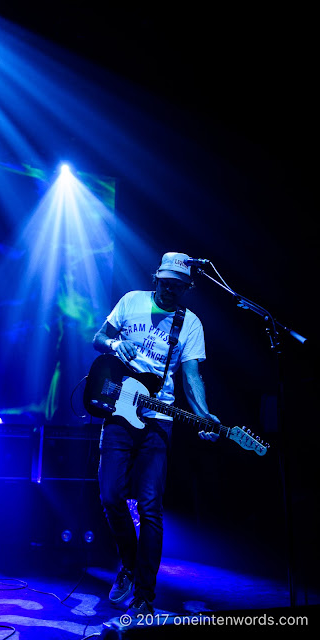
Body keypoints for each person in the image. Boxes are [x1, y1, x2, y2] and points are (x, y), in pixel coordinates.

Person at [92, 251, 220, 617]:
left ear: (186, 288)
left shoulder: (190, 324)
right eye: (165, 284)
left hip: (158, 420)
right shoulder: (131, 302)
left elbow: (192, 376)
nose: (169, 291)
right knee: (111, 496)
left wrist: (204, 416)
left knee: (150, 507)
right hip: (118, 410)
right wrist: (118, 345)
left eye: (177, 287)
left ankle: (145, 594)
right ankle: (129, 565)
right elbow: (99, 338)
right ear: (156, 279)